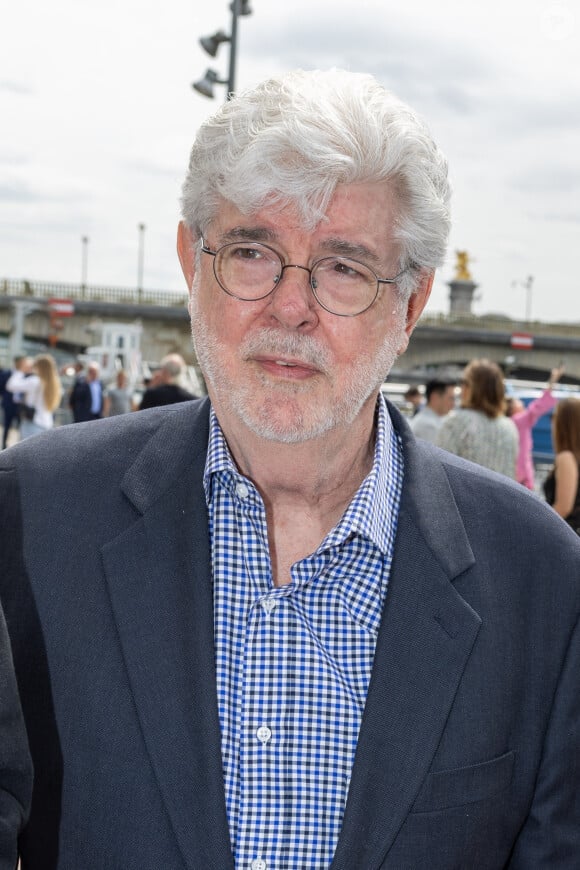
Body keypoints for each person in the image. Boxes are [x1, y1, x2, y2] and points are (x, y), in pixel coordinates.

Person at [0, 68, 579, 869]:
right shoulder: (31, 519)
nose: (290, 306)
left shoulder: (544, 582)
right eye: (251, 252)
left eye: (343, 268)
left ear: (409, 307)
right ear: (190, 264)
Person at [437, 358, 519, 478]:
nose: (461, 388)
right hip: (499, 496)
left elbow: (439, 472)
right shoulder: (510, 427)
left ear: (472, 388)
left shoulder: (456, 423)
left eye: (464, 382)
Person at [505, 365, 564, 490]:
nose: (521, 403)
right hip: (521, 476)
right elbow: (538, 406)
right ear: (512, 409)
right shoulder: (519, 421)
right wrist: (553, 380)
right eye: (517, 401)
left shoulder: (511, 422)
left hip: (514, 473)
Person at [543, 397, 580, 534]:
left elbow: (563, 507)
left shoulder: (566, 457)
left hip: (565, 536)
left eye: (554, 416)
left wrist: (537, 523)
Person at [5, 354, 63, 441]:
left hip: (32, 423)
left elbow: (10, 386)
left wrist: (21, 370)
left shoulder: (35, 381)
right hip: (47, 425)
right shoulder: (56, 384)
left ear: (39, 367)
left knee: (25, 453)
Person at [409, 377, 456, 443]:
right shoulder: (428, 426)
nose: (453, 404)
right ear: (435, 397)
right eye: (451, 398)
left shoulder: (427, 420)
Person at [0, 356, 30, 449]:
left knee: (21, 427)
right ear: (16, 363)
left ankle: (19, 447)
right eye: (22, 362)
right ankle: (4, 446)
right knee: (7, 426)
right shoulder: (6, 373)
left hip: (21, 406)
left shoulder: (26, 375)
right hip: (9, 404)